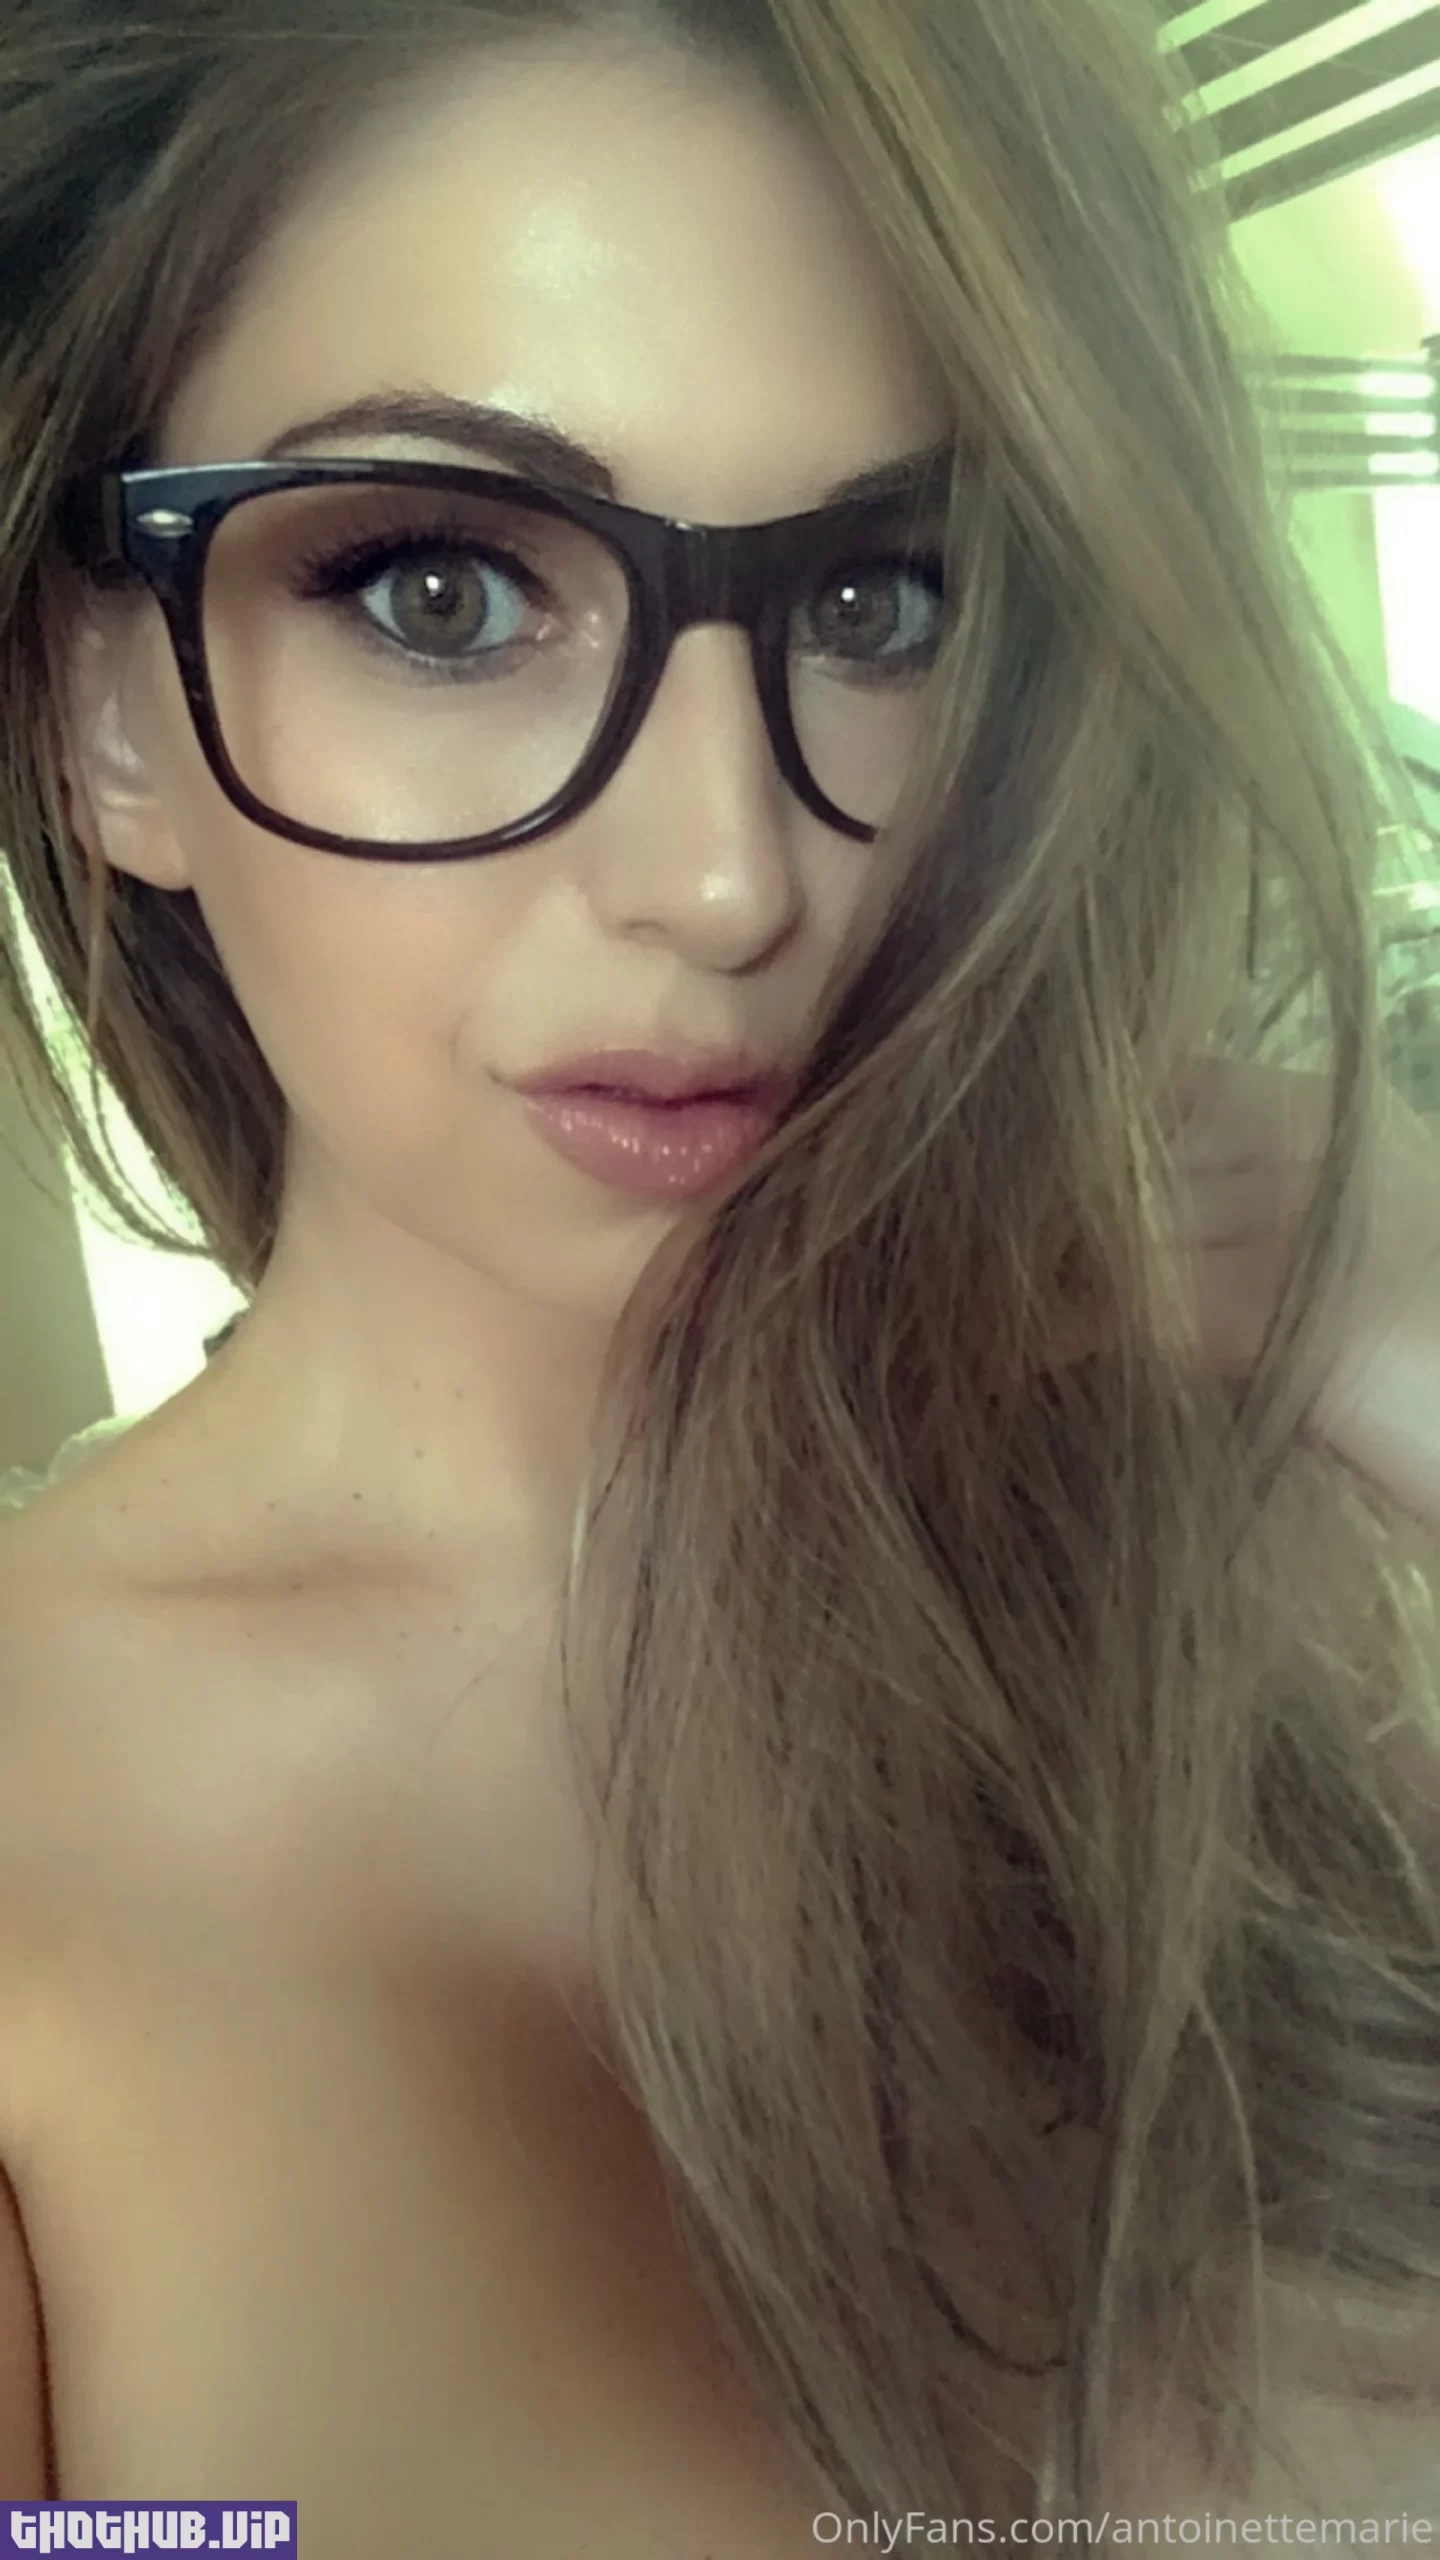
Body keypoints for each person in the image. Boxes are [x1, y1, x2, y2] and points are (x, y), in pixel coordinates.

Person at [0, 0, 1436, 2545]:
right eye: (443, 589)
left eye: (883, 597)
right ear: (109, 707)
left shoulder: (1294, 1591)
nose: (728, 873)